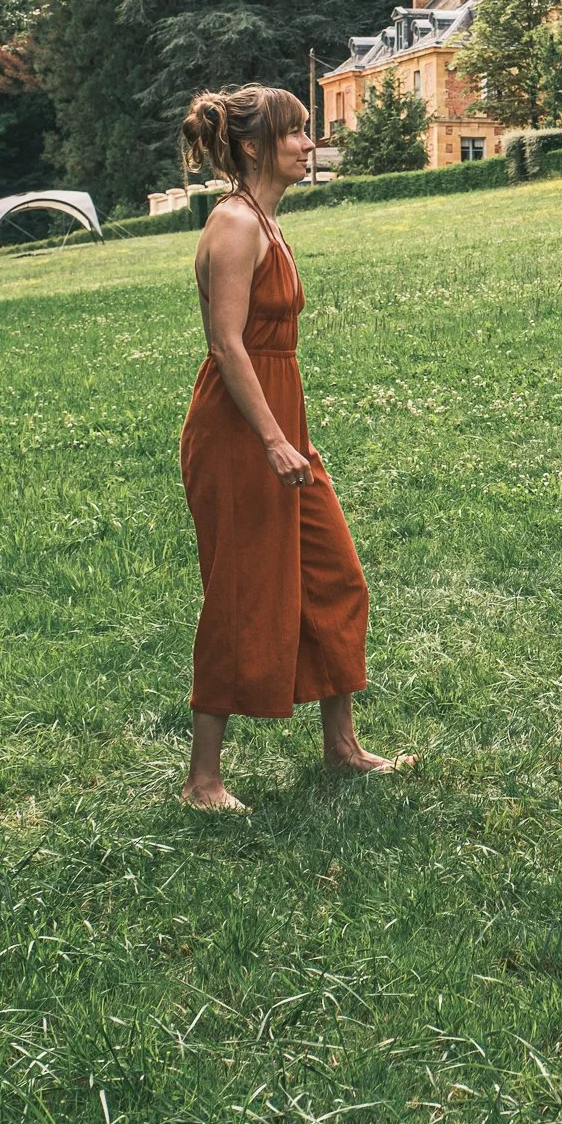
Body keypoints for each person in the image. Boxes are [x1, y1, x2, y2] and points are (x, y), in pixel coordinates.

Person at [178, 86, 410, 811]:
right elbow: (225, 344)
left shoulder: (267, 220)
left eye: (308, 133)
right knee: (242, 592)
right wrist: (275, 440)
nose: (309, 144)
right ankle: (202, 779)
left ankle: (341, 746)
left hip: (280, 421)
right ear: (254, 147)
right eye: (296, 134)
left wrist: (289, 436)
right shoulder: (235, 226)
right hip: (239, 432)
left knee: (331, 573)